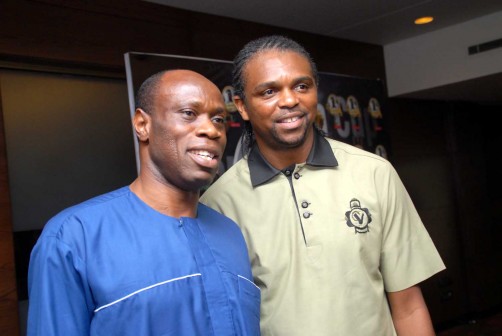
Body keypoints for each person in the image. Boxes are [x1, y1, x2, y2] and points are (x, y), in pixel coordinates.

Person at [200, 35, 445, 335]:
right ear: (242, 106)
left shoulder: (374, 174)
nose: (290, 100)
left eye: (302, 86)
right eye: (269, 91)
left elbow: (408, 306)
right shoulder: (217, 205)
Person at [27, 70, 261, 336]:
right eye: (188, 113)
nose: (211, 130)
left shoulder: (229, 233)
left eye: (218, 119)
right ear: (142, 125)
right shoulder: (73, 237)